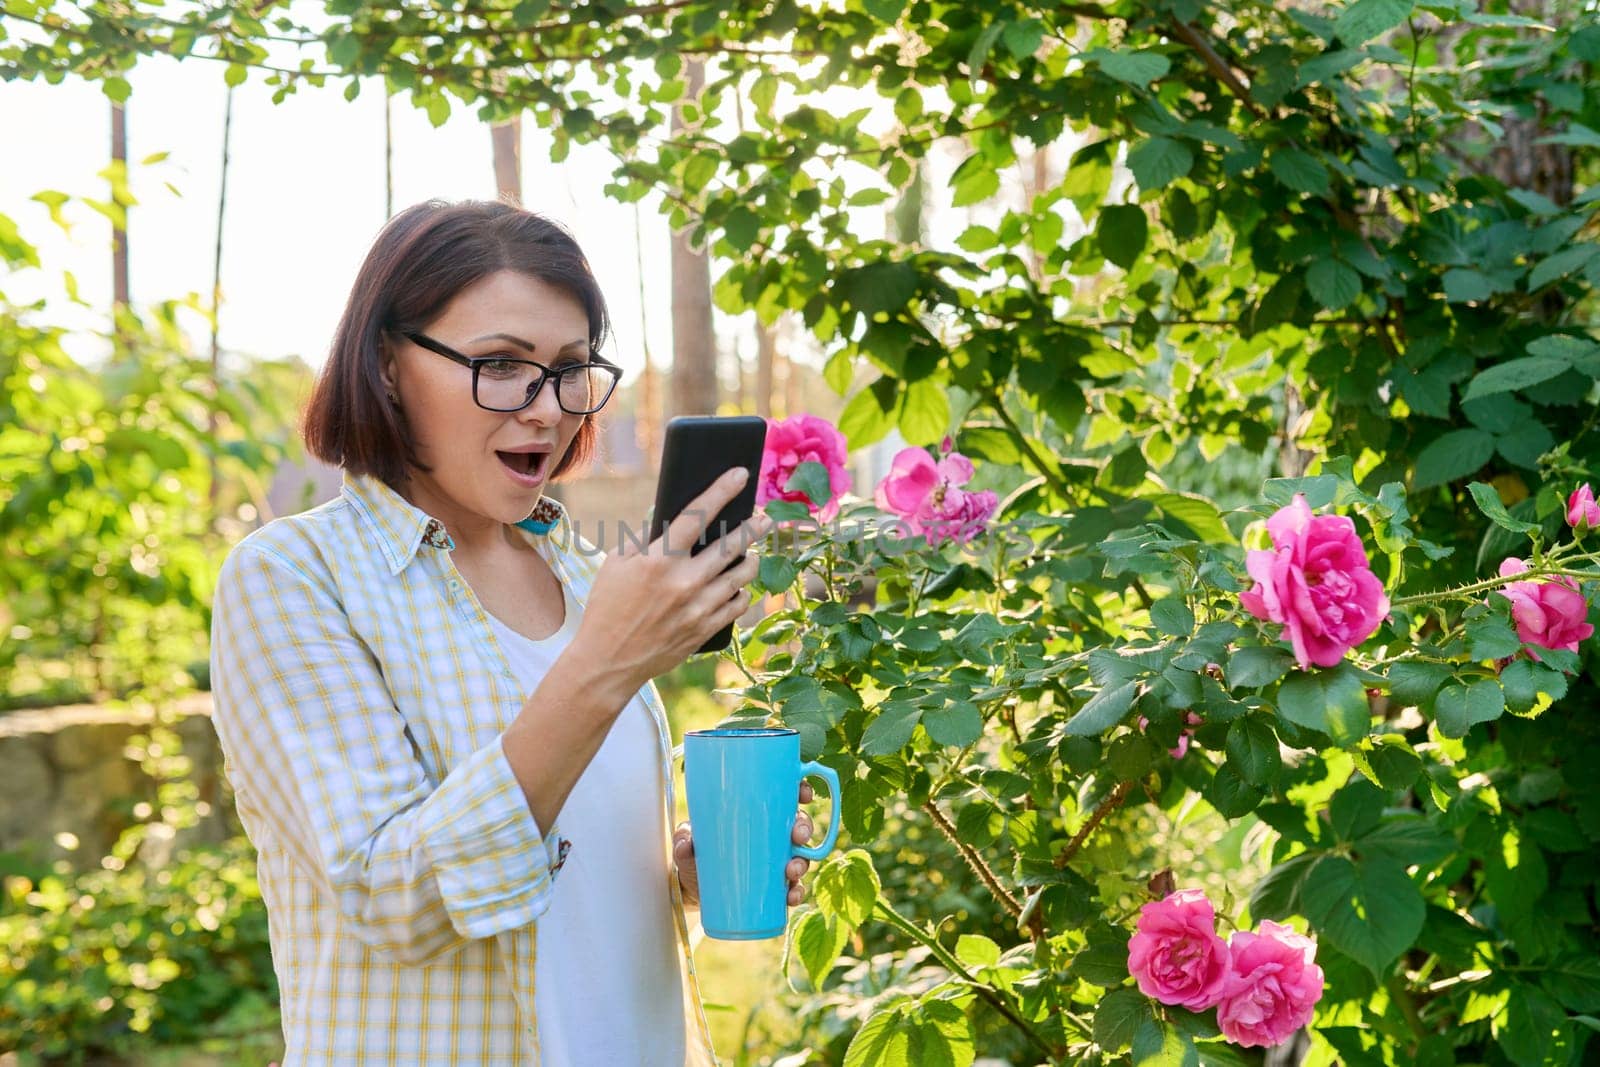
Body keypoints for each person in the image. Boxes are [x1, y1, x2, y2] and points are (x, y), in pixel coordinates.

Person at [208, 198, 821, 1065]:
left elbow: (565, 858)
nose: (546, 409)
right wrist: (604, 665)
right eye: (501, 364)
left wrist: (684, 873)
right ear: (387, 366)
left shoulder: (576, 568)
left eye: (571, 368)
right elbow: (397, 898)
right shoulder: (295, 578)